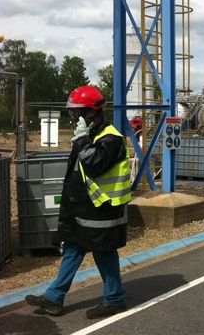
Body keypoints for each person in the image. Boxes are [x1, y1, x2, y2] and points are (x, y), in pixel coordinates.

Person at [25, 85, 132, 319]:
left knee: (104, 252)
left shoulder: (111, 138)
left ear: (91, 112)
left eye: (77, 112)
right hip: (83, 207)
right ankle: (54, 298)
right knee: (73, 248)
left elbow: (94, 164)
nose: (73, 117)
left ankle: (115, 299)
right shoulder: (89, 134)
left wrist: (83, 140)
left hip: (102, 210)